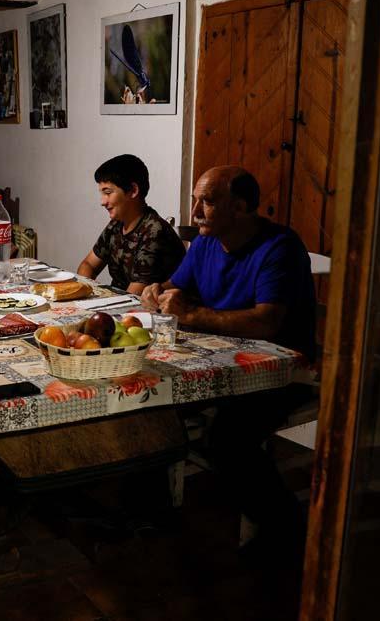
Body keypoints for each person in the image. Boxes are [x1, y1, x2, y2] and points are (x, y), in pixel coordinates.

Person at [141, 165, 317, 553]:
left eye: (207, 201)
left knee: (228, 439)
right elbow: (176, 287)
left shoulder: (280, 247)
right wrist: (158, 291)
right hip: (221, 361)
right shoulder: (206, 241)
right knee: (148, 400)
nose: (195, 212)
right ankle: (151, 509)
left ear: (240, 207)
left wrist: (194, 315)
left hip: (282, 373)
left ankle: (287, 530)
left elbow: (268, 320)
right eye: (195, 201)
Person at [77, 154, 185, 294]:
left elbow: (134, 297)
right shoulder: (116, 224)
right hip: (120, 303)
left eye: (108, 193)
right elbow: (88, 265)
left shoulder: (154, 231)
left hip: (147, 311)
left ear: (133, 190)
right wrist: (87, 292)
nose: (102, 202)